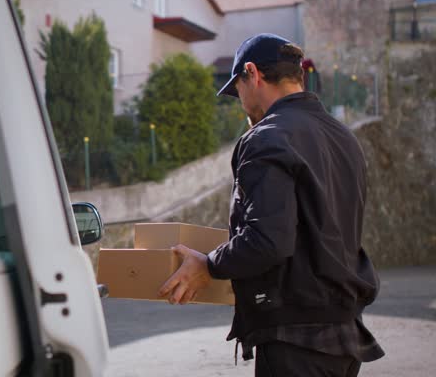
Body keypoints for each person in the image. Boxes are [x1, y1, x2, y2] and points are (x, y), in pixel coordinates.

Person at [158, 34, 384, 377]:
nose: (241, 102)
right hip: (344, 334)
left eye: (238, 89)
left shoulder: (267, 137)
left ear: (253, 74)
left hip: (296, 340)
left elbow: (267, 240)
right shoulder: (344, 137)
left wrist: (209, 265)